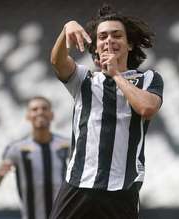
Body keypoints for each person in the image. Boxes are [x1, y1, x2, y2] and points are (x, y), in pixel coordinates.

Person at [50, 4, 163, 219]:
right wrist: (66, 29)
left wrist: (117, 75)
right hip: (79, 184)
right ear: (96, 46)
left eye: (116, 35)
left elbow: (147, 108)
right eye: (102, 37)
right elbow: (57, 62)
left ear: (129, 44)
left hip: (121, 188)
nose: (109, 40)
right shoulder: (84, 79)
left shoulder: (147, 79)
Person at [0, 96, 69, 219]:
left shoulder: (66, 145)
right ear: (28, 116)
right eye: (35, 109)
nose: (40, 112)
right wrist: (0, 173)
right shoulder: (16, 149)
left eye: (44, 108)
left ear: (51, 115)